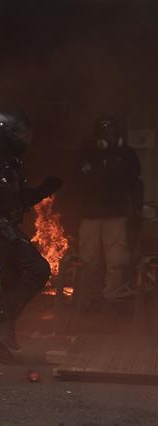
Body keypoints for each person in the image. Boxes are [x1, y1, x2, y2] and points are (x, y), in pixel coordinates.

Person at [0, 109, 62, 362]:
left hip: (8, 224)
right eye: (22, 133)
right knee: (38, 269)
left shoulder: (10, 160)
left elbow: (16, 200)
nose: (27, 139)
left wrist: (42, 191)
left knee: (11, 282)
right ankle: (2, 320)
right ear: (8, 132)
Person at [76, 116, 143, 305]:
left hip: (116, 214)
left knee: (117, 259)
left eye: (112, 130)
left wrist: (136, 208)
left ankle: (112, 296)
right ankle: (89, 297)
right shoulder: (86, 153)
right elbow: (79, 182)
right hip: (90, 216)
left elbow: (135, 181)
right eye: (105, 130)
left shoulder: (127, 154)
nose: (110, 133)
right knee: (89, 259)